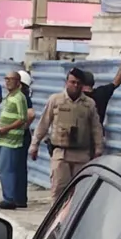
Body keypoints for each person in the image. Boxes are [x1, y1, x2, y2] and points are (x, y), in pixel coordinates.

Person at [29, 67, 103, 201]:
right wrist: (34, 145)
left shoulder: (89, 104)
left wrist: (98, 149)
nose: (75, 85)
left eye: (78, 83)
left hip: (81, 154)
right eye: (72, 82)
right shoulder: (55, 100)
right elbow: (43, 123)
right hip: (60, 153)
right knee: (59, 189)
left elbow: (96, 128)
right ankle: (57, 220)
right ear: (66, 82)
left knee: (79, 191)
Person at [0, 70, 28, 210]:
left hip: (12, 139)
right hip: (4, 138)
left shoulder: (20, 97)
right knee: (5, 169)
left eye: (11, 79)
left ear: (18, 82)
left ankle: (9, 199)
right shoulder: (9, 96)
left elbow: (22, 118)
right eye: (6, 78)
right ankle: (9, 197)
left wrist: (6, 128)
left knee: (7, 169)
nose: (7, 81)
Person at [83, 59, 121, 125]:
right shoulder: (101, 92)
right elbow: (116, 82)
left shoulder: (78, 96)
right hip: (98, 132)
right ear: (93, 82)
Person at [17, 70, 35, 208]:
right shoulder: (21, 96)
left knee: (19, 168)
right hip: (21, 136)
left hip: (21, 137)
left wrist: (21, 127)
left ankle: (20, 198)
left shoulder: (23, 97)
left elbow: (30, 115)